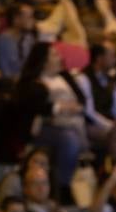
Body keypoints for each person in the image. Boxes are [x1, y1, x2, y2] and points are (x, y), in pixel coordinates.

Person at [14, 42, 88, 191]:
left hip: (72, 122)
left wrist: (75, 107)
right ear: (43, 60)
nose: (59, 57)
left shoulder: (65, 77)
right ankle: (61, 186)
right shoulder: (32, 82)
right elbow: (33, 106)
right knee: (69, 140)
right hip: (44, 126)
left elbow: (81, 99)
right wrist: (59, 107)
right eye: (54, 54)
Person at [75, 43, 116, 139]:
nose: (115, 59)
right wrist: (111, 126)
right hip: (89, 125)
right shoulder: (83, 78)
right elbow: (88, 111)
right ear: (99, 58)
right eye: (112, 56)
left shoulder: (113, 82)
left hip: (110, 123)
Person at [0, 1, 36, 79]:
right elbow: (5, 72)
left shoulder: (29, 38)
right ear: (16, 19)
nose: (33, 21)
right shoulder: (3, 41)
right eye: (29, 17)